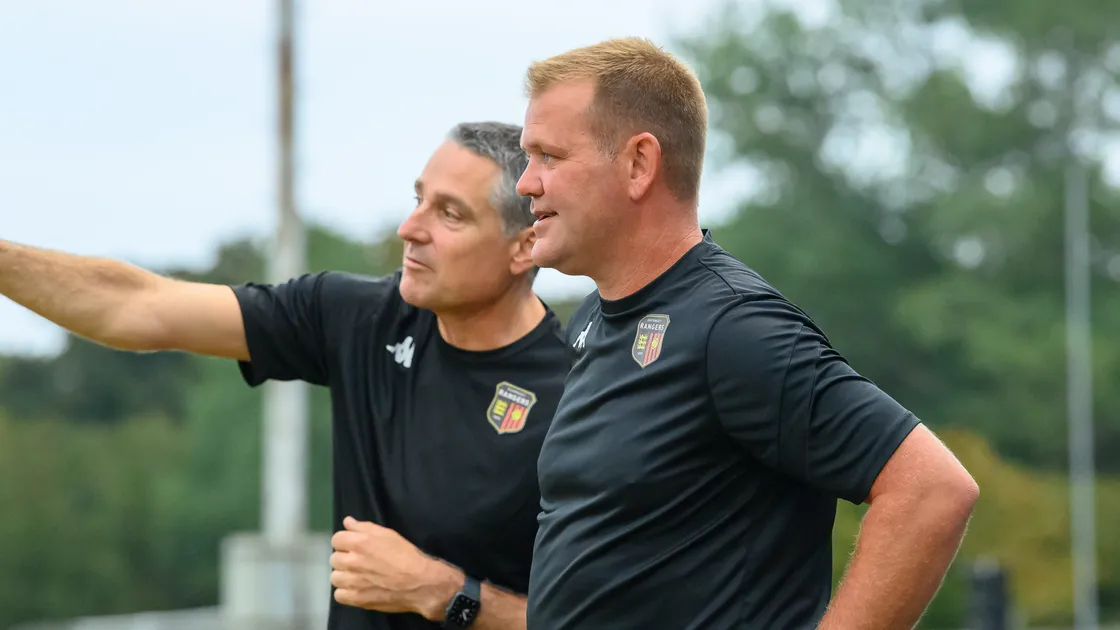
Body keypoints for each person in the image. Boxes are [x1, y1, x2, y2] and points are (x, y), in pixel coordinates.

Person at [0, 121, 566, 630]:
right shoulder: (360, 317)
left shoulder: (576, 398)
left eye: (450, 214)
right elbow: (137, 306)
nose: (409, 228)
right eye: (417, 199)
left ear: (524, 248)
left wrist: (447, 594)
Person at [516, 38, 980, 629]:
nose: (526, 183)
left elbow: (932, 491)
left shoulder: (733, 327)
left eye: (549, 156)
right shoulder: (591, 319)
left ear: (639, 163)